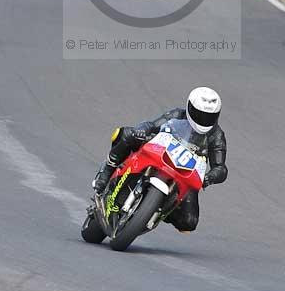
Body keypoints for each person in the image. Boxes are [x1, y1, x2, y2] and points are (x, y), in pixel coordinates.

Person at [92, 87, 227, 233]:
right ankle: (106, 171)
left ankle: (155, 210)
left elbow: (220, 167)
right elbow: (151, 125)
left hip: (185, 174)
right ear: (189, 107)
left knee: (189, 223)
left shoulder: (217, 135)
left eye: (209, 116)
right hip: (160, 154)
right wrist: (142, 130)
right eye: (200, 114)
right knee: (125, 134)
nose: (204, 120)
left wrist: (209, 178)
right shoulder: (177, 114)